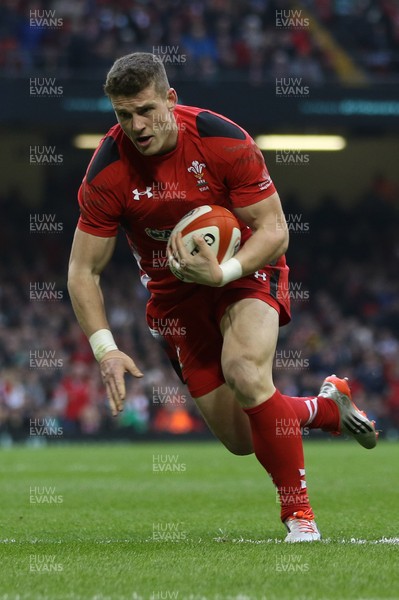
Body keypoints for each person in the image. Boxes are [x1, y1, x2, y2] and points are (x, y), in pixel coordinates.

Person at [67, 52, 377, 542]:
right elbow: (83, 270)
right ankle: (324, 409)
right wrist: (106, 350)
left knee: (245, 372)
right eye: (124, 115)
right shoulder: (107, 170)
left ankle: (299, 517)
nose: (137, 125)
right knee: (240, 438)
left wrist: (226, 270)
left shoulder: (221, 139)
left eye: (146, 110)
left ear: (171, 99)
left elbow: (274, 229)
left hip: (244, 272)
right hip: (174, 303)